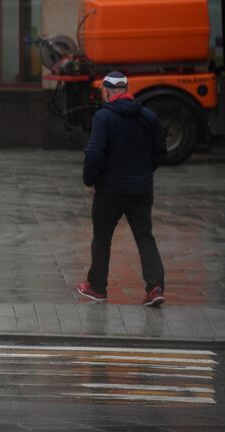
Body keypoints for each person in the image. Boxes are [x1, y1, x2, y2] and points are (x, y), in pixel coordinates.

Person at [76, 71, 167, 307]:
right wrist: (144, 172)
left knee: (102, 239)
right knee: (145, 237)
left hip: (110, 190)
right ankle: (155, 287)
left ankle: (97, 288)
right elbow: (160, 152)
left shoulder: (103, 117)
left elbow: (94, 152)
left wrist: (90, 180)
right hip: (141, 189)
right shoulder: (148, 116)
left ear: (106, 91)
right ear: (126, 91)